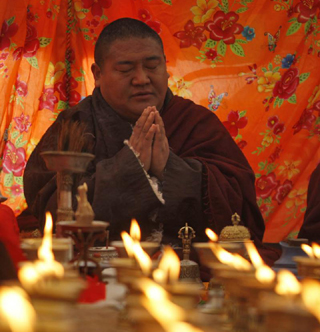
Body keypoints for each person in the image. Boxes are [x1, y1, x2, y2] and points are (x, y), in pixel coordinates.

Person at [23, 18, 278, 263]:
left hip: (187, 269)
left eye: (152, 66)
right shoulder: (75, 126)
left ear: (166, 67)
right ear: (98, 74)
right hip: (97, 269)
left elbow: (238, 202)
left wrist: (170, 169)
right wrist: (128, 168)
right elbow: (48, 205)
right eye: (125, 69)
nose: (142, 79)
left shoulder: (196, 122)